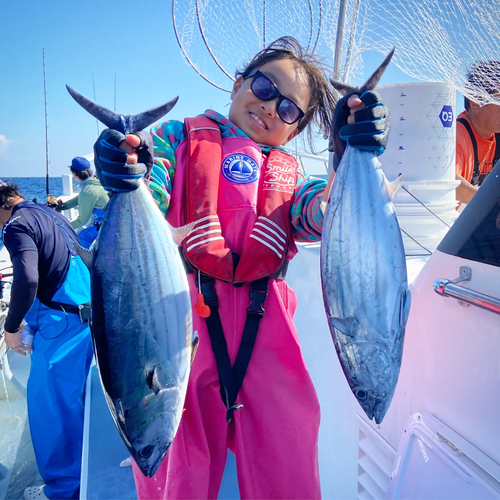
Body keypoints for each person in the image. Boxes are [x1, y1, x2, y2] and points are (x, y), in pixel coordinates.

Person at [93, 36, 390, 500]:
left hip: (268, 327)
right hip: (182, 327)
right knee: (178, 465)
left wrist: (350, 151)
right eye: (264, 87)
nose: (272, 107)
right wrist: (127, 169)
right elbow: (151, 182)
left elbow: (322, 213)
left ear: (294, 133)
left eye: (290, 110)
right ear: (237, 84)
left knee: (287, 455)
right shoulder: (178, 138)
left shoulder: (292, 179)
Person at [0, 181, 94, 500]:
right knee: (80, 404)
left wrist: (11, 328)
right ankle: (82, 475)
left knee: (51, 410)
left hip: (60, 325)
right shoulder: (50, 213)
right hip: (87, 318)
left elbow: (27, 278)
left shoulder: (16, 225)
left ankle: (64, 491)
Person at [455, 60, 500, 204]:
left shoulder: (495, 132)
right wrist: (493, 204)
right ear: (476, 102)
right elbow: (450, 183)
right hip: (444, 223)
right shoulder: (456, 135)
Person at [56, 156, 109, 248]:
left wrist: (60, 227)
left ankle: (84, 261)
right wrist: (62, 206)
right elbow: (79, 199)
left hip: (107, 225)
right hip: (110, 219)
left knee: (82, 238)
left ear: (74, 174)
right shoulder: (96, 183)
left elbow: (81, 222)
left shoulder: (88, 191)